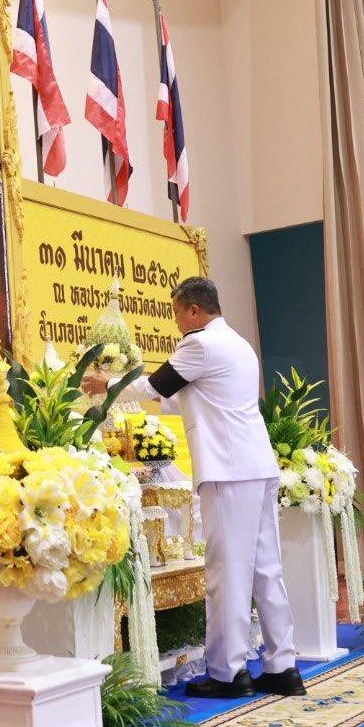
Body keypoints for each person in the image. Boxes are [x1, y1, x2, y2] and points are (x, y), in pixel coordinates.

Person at [84, 277, 304, 699]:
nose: (175, 322)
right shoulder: (239, 345)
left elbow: (156, 385)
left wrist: (107, 385)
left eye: (175, 313)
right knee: (266, 568)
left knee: (227, 572)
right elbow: (183, 398)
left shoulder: (200, 344)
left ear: (193, 310)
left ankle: (227, 672)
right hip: (257, 467)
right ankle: (282, 666)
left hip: (228, 471)